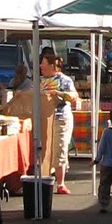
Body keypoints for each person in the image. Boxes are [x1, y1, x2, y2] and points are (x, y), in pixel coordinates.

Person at [39, 47, 79, 195]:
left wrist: (58, 93)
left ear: (51, 65)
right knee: (46, 149)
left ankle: (60, 183)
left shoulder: (64, 80)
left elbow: (74, 96)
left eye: (43, 63)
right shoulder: (41, 80)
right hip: (44, 119)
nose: (40, 66)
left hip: (61, 118)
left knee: (59, 148)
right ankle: (47, 177)